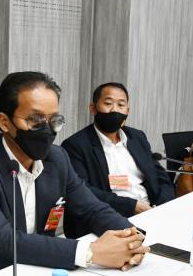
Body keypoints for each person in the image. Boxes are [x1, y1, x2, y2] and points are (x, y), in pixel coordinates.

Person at [0, 71, 149, 276]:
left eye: (54, 120)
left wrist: (131, 238)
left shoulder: (57, 159)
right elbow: (4, 241)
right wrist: (91, 253)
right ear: (4, 122)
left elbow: (93, 209)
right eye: (35, 120)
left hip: (37, 272)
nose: (47, 130)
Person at [62, 82, 174, 237]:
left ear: (128, 110)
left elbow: (160, 176)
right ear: (93, 108)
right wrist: (132, 206)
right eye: (108, 103)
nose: (115, 110)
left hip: (149, 211)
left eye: (121, 105)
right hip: (108, 219)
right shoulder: (76, 145)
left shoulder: (137, 137)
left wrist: (161, 206)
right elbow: (83, 191)